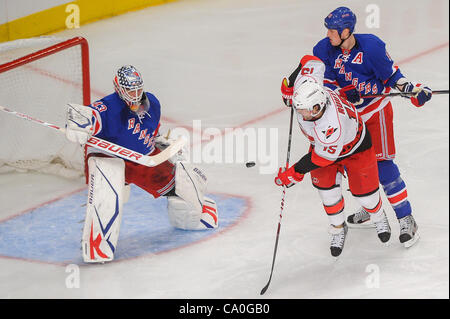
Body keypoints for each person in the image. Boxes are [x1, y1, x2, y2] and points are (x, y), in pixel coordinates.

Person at [281, 7, 432, 248]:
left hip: (374, 113)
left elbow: (393, 78)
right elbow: (324, 84)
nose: (328, 34)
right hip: (346, 119)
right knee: (353, 166)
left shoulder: (372, 46)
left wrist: (412, 91)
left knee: (382, 165)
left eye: (333, 30)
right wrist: (343, 92)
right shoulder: (323, 49)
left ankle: (406, 218)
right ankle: (370, 206)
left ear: (347, 31)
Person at [65, 65, 218, 263]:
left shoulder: (152, 103)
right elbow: (88, 115)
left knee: (185, 188)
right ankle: (97, 243)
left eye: (138, 89)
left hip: (144, 158)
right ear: (118, 89)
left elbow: (152, 131)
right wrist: (78, 122)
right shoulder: (107, 108)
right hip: (109, 157)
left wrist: (161, 141)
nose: (135, 95)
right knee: (106, 198)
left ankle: (194, 215)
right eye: (130, 90)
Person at [275, 55, 391, 257]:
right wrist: (291, 84)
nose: (301, 114)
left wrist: (295, 172)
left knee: (367, 196)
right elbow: (310, 61)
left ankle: (379, 216)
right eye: (298, 109)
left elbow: (321, 158)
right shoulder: (310, 86)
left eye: (304, 111)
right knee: (327, 192)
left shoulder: (330, 125)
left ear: (318, 107)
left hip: (354, 147)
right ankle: (338, 228)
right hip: (323, 149)